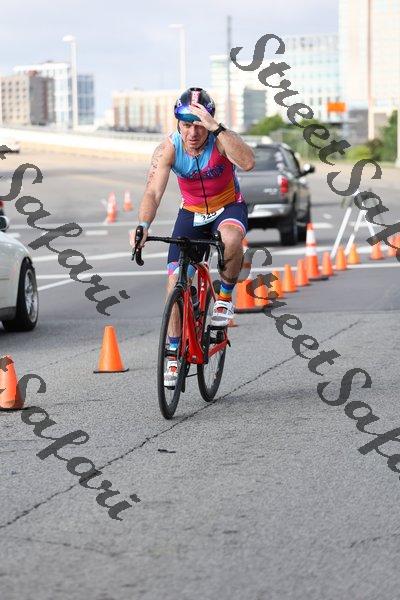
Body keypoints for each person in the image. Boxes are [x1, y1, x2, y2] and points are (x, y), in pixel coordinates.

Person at [130, 87, 255, 387]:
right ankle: (173, 353)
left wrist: (217, 128)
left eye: (199, 125)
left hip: (227, 207)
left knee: (230, 239)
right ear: (178, 124)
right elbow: (153, 192)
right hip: (192, 212)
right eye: (187, 125)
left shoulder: (220, 140)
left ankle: (224, 298)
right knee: (175, 280)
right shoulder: (169, 148)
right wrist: (143, 225)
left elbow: (248, 162)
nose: (193, 132)